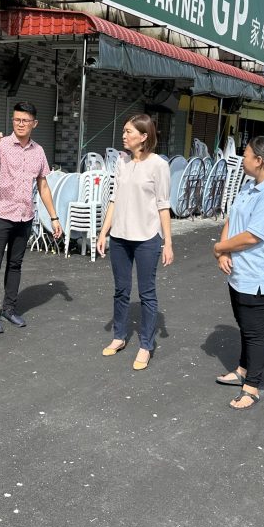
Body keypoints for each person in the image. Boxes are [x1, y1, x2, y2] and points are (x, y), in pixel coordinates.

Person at [213, 136, 264, 409]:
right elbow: (232, 219)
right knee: (245, 328)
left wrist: (219, 247)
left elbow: (252, 236)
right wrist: (223, 251)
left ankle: (252, 386)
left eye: (245, 154)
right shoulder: (251, 185)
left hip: (256, 273)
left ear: (259, 160)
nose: (241, 158)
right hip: (238, 270)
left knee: (254, 332)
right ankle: (242, 370)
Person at [96, 114, 174, 371]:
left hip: (147, 238)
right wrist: (103, 232)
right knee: (121, 290)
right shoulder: (122, 162)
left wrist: (168, 242)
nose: (124, 135)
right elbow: (114, 199)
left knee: (146, 293)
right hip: (120, 236)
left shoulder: (158, 165)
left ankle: (145, 344)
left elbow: (164, 205)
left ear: (144, 136)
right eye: (124, 131)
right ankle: (119, 336)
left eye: (129, 131)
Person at [0, 102, 62, 334]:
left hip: (25, 217)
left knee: (15, 265)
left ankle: (9, 309)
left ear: (34, 123)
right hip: (0, 214)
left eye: (25, 120)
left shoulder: (39, 151)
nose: (20, 124)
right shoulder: (2, 145)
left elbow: (43, 185)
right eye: (16, 120)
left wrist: (54, 217)